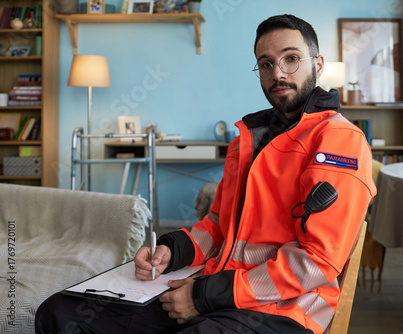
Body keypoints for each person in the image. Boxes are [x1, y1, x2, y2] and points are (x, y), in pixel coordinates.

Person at [35, 14, 376, 334]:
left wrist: (201, 297)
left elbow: (315, 262)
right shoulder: (248, 138)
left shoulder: (338, 140)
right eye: (266, 64)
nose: (278, 74)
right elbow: (216, 224)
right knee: (58, 313)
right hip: (215, 287)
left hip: (283, 309)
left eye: (291, 58)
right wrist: (173, 250)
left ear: (317, 65)